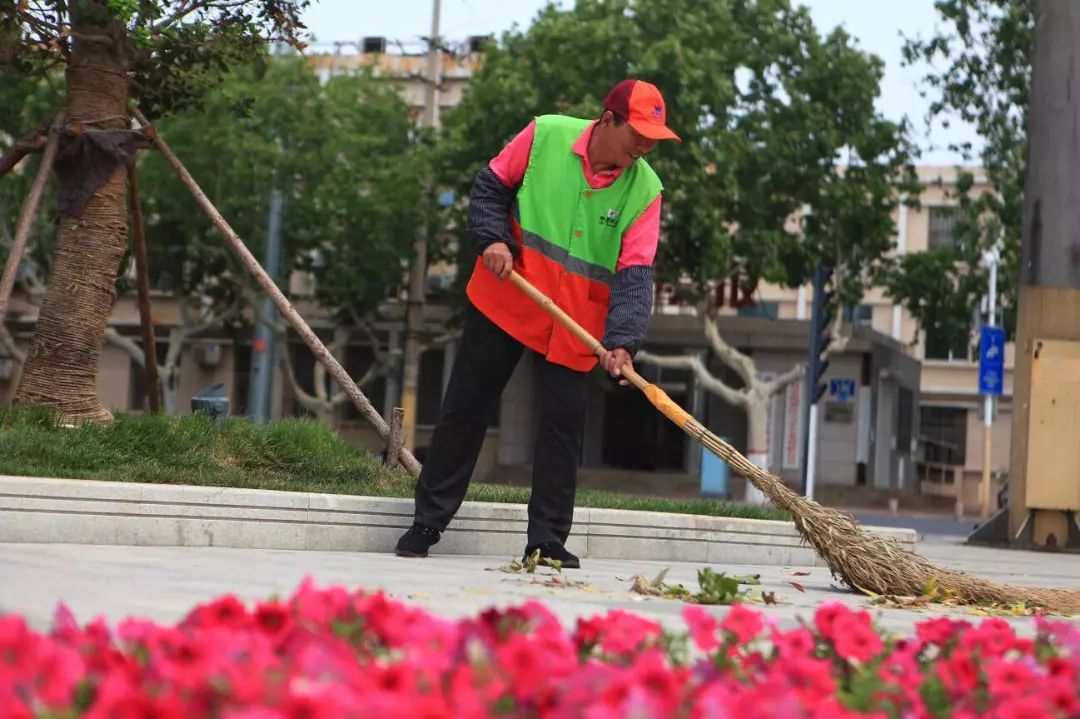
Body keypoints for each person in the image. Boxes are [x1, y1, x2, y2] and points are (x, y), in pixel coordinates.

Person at [394, 78, 680, 568]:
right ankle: (427, 522)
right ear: (607, 120)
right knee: (465, 409)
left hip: (575, 322)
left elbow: (635, 275)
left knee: (562, 430)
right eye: (638, 133)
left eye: (654, 137)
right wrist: (493, 239)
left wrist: (623, 341)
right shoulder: (545, 134)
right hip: (506, 298)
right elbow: (489, 189)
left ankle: (545, 540)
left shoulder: (646, 189)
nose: (645, 146)